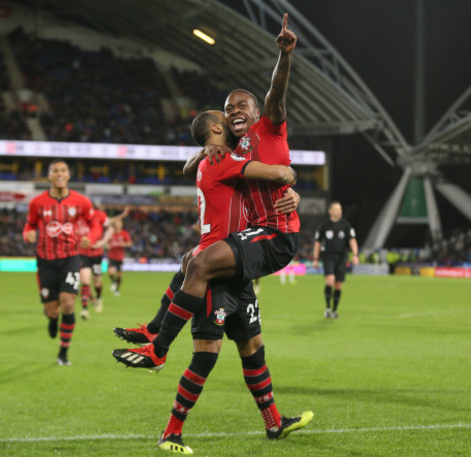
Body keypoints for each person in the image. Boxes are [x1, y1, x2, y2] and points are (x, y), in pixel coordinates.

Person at [113, 13, 300, 370]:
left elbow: (277, 90)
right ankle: (154, 332)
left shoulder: (269, 126)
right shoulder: (231, 150)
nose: (233, 112)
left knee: (199, 266)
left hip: (275, 234)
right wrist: (205, 150)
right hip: (253, 231)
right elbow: (190, 168)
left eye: (240, 106)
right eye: (228, 108)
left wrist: (285, 56)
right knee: (191, 263)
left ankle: (159, 346)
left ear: (257, 111)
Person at [122, 109, 312, 454]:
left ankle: (274, 423)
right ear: (215, 128)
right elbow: (278, 172)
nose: (229, 117)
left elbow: (245, 184)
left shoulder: (219, 157)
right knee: (206, 354)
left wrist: (292, 198)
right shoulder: (222, 158)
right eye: (222, 115)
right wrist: (290, 177)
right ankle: (170, 432)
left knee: (252, 347)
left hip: (236, 267)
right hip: (215, 271)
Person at [23, 159, 101, 365]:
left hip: (70, 259)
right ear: (49, 176)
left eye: (63, 170)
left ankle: (63, 352)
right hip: (46, 261)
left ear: (68, 175)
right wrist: (27, 234)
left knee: (68, 304)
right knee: (52, 309)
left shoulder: (81, 201)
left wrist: (91, 239)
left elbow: (95, 226)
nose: (59, 173)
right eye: (55, 170)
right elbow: (29, 225)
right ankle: (51, 318)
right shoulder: (37, 203)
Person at [77, 206, 128, 319]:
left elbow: (110, 227)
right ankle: (84, 310)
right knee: (85, 280)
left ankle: (98, 298)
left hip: (96, 255)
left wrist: (102, 242)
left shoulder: (99, 215)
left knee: (97, 283)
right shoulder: (77, 217)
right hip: (82, 254)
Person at [312, 201, 359, 319]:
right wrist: (316, 259)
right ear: (330, 211)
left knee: (338, 285)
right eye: (337, 209)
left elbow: (352, 240)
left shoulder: (346, 225)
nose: (339, 211)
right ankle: (327, 308)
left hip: (342, 258)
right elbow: (317, 243)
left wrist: (355, 255)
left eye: (340, 209)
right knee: (330, 281)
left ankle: (334, 310)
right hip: (328, 257)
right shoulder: (324, 226)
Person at [106, 218, 132, 297]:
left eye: (119, 223)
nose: (118, 225)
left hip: (120, 257)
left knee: (120, 275)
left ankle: (117, 290)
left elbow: (129, 243)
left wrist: (124, 244)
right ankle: (113, 281)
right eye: (117, 223)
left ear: (121, 225)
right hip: (111, 256)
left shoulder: (124, 233)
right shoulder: (111, 233)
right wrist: (107, 246)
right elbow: (106, 243)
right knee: (110, 272)